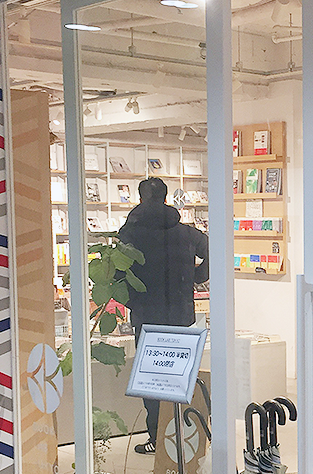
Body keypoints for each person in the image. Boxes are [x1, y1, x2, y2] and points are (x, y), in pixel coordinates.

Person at [118, 177, 209, 455]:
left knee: (152, 381)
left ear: (140, 198)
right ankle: (185, 435)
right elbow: (214, 253)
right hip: (181, 316)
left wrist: (132, 300)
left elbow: (118, 274)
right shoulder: (187, 233)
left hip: (148, 318)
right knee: (181, 378)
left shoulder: (130, 234)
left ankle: (158, 439)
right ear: (166, 198)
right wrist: (195, 277)